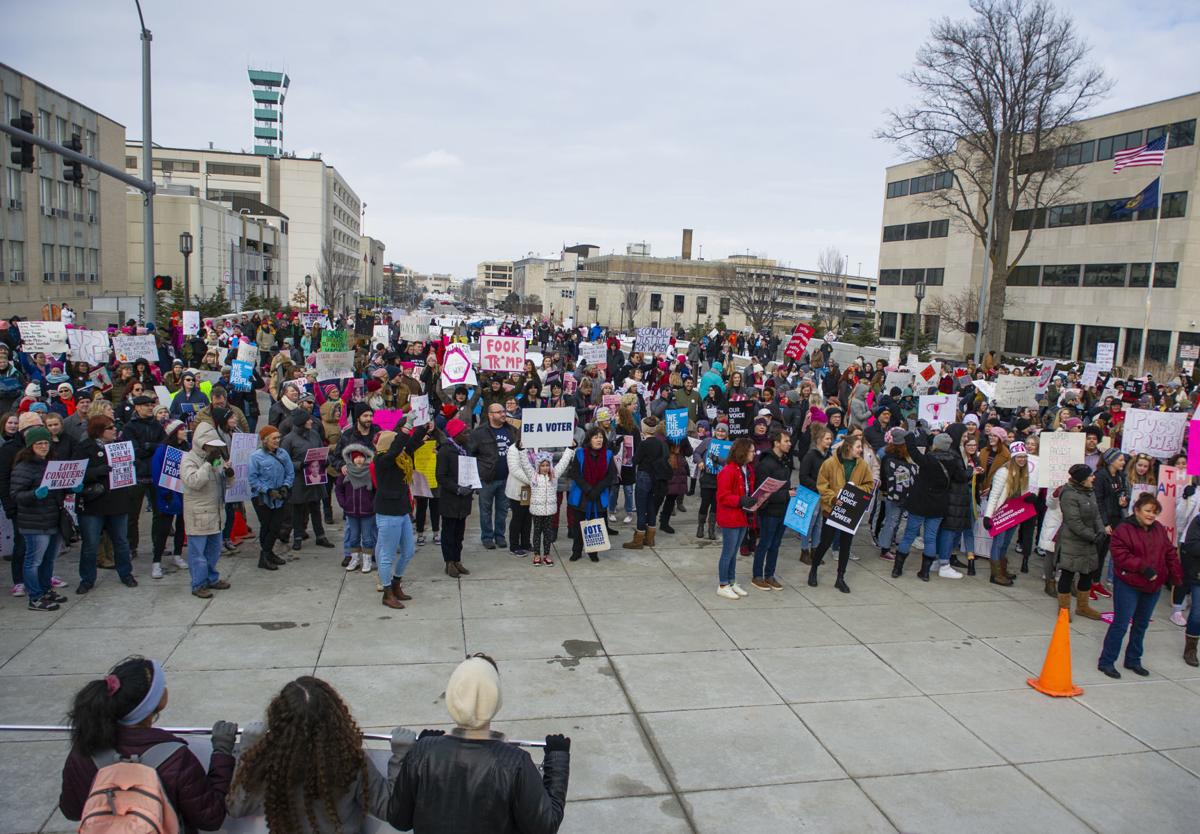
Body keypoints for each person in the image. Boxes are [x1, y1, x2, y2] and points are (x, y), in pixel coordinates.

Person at [387, 654, 570, 834]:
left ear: (452, 696)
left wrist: (424, 746)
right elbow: (545, 826)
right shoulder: (515, 763)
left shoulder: (423, 753)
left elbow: (398, 819)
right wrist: (557, 759)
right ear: (496, 700)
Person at [59, 656, 236, 833]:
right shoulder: (175, 757)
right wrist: (222, 752)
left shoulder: (85, 748)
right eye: (162, 685)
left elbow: (72, 810)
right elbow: (210, 818)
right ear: (157, 702)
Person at [227, 676, 415, 833]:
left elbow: (236, 808)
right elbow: (388, 808)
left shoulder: (268, 762)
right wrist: (401, 756)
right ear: (336, 719)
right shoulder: (351, 763)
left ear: (277, 719)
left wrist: (248, 749)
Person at [1097, 493, 1183, 678]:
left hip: (1153, 586)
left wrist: (1176, 577)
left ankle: (1133, 659)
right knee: (1120, 624)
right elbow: (1120, 555)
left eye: (1154, 512)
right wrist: (1143, 568)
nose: (1151, 515)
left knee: (1141, 624)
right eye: (1147, 511)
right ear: (1137, 510)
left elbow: (1169, 552)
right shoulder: (1124, 529)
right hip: (1129, 583)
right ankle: (1107, 661)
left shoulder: (1159, 528)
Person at [11, 425, 75, 611]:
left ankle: (45, 590)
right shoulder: (24, 467)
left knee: (48, 560)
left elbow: (59, 487)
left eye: (46, 443)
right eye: (38, 443)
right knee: (34, 561)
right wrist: (34, 494)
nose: (43, 446)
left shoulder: (52, 463)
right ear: (30, 446)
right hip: (34, 521)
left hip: (52, 518)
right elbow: (16, 494)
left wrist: (71, 487)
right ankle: (35, 597)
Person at [75, 415, 139, 594]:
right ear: (99, 431)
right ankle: (87, 579)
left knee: (121, 542)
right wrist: (97, 472)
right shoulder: (84, 448)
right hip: (93, 504)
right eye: (110, 428)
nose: (115, 430)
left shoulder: (120, 446)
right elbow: (76, 472)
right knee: (90, 544)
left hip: (117, 501)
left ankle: (126, 573)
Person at [373, 420, 430, 608]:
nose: (401, 445)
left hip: (403, 511)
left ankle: (396, 583)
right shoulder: (382, 460)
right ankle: (387, 592)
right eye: (396, 442)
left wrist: (423, 427)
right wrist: (406, 428)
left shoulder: (401, 457)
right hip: (388, 512)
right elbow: (397, 447)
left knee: (408, 551)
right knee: (386, 555)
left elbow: (411, 443)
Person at [810, 434, 875, 593]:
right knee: (825, 542)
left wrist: (855, 490)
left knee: (846, 545)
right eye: (858, 447)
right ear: (848, 447)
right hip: (832, 510)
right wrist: (832, 499)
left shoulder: (862, 466)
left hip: (851, 511)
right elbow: (822, 485)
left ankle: (840, 578)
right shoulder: (830, 463)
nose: (861, 450)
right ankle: (813, 569)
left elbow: (869, 485)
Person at [180, 422, 234, 599]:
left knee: (214, 550)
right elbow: (194, 481)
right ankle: (198, 584)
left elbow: (223, 484)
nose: (213, 449)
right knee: (198, 554)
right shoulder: (189, 459)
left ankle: (212, 577)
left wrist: (228, 475)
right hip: (198, 513)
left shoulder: (215, 459)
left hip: (215, 512)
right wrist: (207, 464)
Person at [1053, 463, 1106, 620]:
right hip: (1072, 542)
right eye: (1090, 475)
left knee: (1087, 573)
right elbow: (1074, 522)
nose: (1093, 477)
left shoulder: (1089, 492)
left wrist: (1101, 530)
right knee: (1068, 575)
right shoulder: (1069, 494)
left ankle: (1082, 607)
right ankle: (1063, 610)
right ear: (1082, 479)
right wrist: (1093, 536)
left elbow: (1096, 514)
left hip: (1088, 542)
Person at [281, 410, 335, 551]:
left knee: (316, 508)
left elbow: (321, 449)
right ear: (301, 423)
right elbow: (284, 461)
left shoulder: (314, 434)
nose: (311, 421)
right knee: (298, 510)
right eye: (308, 420)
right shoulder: (288, 439)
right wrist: (300, 465)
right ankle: (297, 537)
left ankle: (320, 536)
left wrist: (326, 461)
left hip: (315, 477)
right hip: (299, 480)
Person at [982, 442, 1035, 587]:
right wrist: (988, 516)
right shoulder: (1003, 472)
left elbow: (1023, 491)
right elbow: (994, 495)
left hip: (1014, 512)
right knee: (998, 543)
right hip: (1001, 513)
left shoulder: (1024, 472)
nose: (1022, 459)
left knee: (1005, 543)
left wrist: (1029, 498)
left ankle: (1002, 569)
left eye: (1024, 457)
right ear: (1013, 457)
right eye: (1019, 457)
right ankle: (995, 574)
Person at [565, 427, 617, 563]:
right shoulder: (580, 453)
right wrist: (588, 489)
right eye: (595, 437)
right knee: (578, 525)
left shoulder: (608, 454)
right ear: (589, 439)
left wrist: (597, 490)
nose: (599, 439)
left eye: (601, 437)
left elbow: (610, 475)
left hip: (598, 495)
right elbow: (575, 473)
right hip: (582, 495)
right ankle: (576, 551)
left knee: (596, 524)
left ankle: (593, 552)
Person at [515, 448, 573, 566]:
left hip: (550, 511)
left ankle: (547, 554)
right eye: (543, 465)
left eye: (547, 465)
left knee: (548, 534)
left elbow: (563, 462)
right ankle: (537, 554)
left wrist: (570, 449)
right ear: (538, 466)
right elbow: (525, 464)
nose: (545, 468)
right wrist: (521, 450)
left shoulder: (554, 475)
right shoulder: (533, 476)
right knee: (537, 533)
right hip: (536, 511)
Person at [469, 402, 515, 550]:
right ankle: (487, 537)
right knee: (485, 510)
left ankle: (500, 536)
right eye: (498, 412)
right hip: (487, 479)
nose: (503, 414)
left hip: (507, 478)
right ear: (490, 415)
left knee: (502, 510)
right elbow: (471, 454)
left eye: (503, 411)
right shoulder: (479, 432)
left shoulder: (512, 430)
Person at [248, 424, 294, 572]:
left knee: (276, 526)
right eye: (274, 438)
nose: (277, 441)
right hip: (262, 498)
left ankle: (267, 553)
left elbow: (290, 472)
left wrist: (285, 486)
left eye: (278, 438)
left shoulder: (283, 454)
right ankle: (266, 555)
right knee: (266, 526)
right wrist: (267, 491)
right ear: (265, 440)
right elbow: (252, 479)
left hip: (280, 496)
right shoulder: (255, 457)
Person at [751, 428, 792, 590]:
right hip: (769, 513)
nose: (789, 444)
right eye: (786, 441)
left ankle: (770, 575)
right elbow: (762, 495)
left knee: (776, 545)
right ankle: (757, 575)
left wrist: (789, 492)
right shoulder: (766, 464)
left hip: (783, 510)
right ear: (776, 443)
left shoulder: (785, 462)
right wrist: (786, 494)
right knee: (765, 544)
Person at [715, 438, 756, 599]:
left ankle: (731, 581)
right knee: (728, 552)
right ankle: (723, 584)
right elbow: (723, 497)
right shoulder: (728, 470)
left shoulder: (745, 469)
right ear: (743, 452)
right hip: (731, 517)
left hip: (742, 515)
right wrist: (740, 500)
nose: (754, 454)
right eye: (751, 451)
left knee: (733, 552)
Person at [149, 419, 189, 578]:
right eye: (182, 429)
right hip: (167, 495)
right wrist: (165, 492)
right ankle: (156, 562)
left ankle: (178, 554)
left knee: (181, 526)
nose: (185, 431)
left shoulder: (187, 448)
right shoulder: (162, 450)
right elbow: (157, 472)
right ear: (174, 433)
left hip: (183, 493)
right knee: (163, 529)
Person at [435, 418, 474, 577]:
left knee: (460, 533)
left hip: (464, 499)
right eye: (464, 432)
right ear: (456, 434)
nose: (467, 434)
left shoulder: (465, 449)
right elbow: (441, 477)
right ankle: (449, 562)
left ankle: (457, 559)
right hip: (451, 499)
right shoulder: (445, 451)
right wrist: (457, 489)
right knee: (449, 532)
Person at [626, 417, 670, 550]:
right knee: (651, 506)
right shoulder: (660, 442)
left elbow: (635, 460)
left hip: (644, 476)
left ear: (644, 429)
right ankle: (650, 538)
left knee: (641, 508)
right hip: (656, 476)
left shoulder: (644, 444)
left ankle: (639, 538)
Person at [335, 442, 377, 573]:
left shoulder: (370, 472)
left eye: (361, 457)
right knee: (353, 537)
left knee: (367, 537)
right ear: (351, 458)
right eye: (356, 457)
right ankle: (354, 559)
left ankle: (367, 559)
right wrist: (343, 503)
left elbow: (376, 490)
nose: (359, 459)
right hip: (351, 511)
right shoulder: (346, 472)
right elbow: (338, 489)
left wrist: (373, 504)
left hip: (367, 511)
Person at [1181, 512, 1200, 667]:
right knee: (1197, 614)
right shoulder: (1198, 520)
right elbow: (1191, 545)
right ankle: (1190, 649)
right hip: (1198, 575)